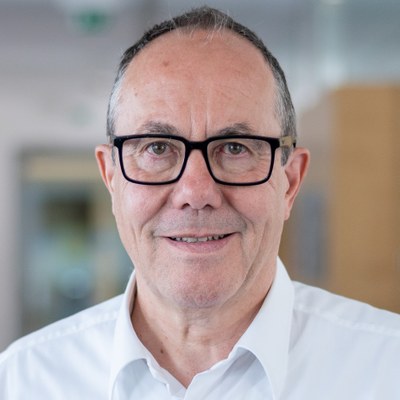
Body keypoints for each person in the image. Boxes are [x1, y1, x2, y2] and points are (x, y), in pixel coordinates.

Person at [1, 6, 399, 400]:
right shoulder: (21, 381)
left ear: (289, 183)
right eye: (158, 148)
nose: (196, 193)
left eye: (235, 147)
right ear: (111, 177)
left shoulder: (387, 369)